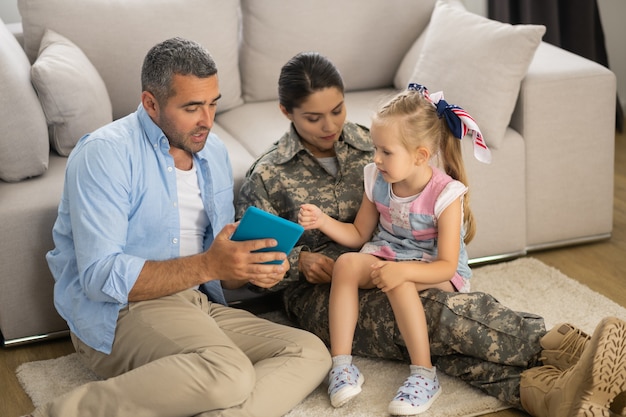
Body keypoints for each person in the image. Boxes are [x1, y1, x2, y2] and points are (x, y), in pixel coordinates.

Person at [235, 51, 626, 416]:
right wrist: (298, 262)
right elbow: (244, 264)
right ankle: (562, 349)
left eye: (337, 110)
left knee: (430, 329)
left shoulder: (376, 140)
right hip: (323, 292)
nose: (330, 125)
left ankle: (554, 391)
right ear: (287, 111)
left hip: (390, 263)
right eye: (313, 117)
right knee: (436, 318)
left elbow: (425, 227)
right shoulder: (269, 175)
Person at [30, 38, 331, 417]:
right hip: (123, 311)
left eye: (213, 103)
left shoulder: (213, 152)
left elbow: (219, 271)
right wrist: (211, 265)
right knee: (229, 372)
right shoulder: (105, 154)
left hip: (197, 303)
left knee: (310, 351)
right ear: (151, 103)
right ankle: (64, 412)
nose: (207, 120)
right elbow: (99, 276)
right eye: (192, 107)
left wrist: (250, 268)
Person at [297, 84, 488, 414]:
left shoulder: (446, 195)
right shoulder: (377, 178)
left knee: (399, 282)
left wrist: (403, 271)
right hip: (388, 253)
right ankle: (341, 365)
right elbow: (359, 234)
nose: (375, 158)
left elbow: (445, 265)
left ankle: (425, 374)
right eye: (375, 148)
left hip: (435, 266)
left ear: (420, 156)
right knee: (344, 264)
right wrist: (323, 220)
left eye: (386, 152)